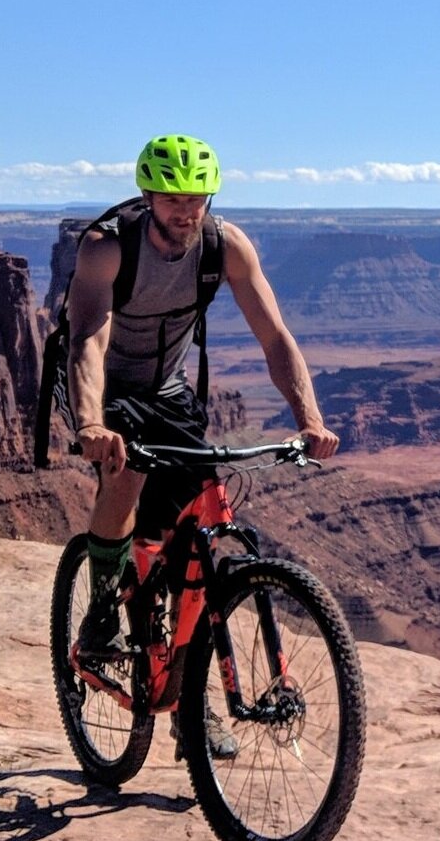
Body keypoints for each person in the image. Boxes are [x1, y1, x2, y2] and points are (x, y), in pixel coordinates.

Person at [67, 132, 339, 660]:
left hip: (167, 387)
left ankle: (187, 694)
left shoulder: (226, 245)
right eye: (172, 199)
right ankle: (100, 616)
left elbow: (275, 336)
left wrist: (310, 419)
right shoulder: (108, 248)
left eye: (196, 199)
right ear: (147, 197)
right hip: (105, 383)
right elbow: (88, 340)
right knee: (127, 476)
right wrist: (90, 425)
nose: (186, 212)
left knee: (192, 518)